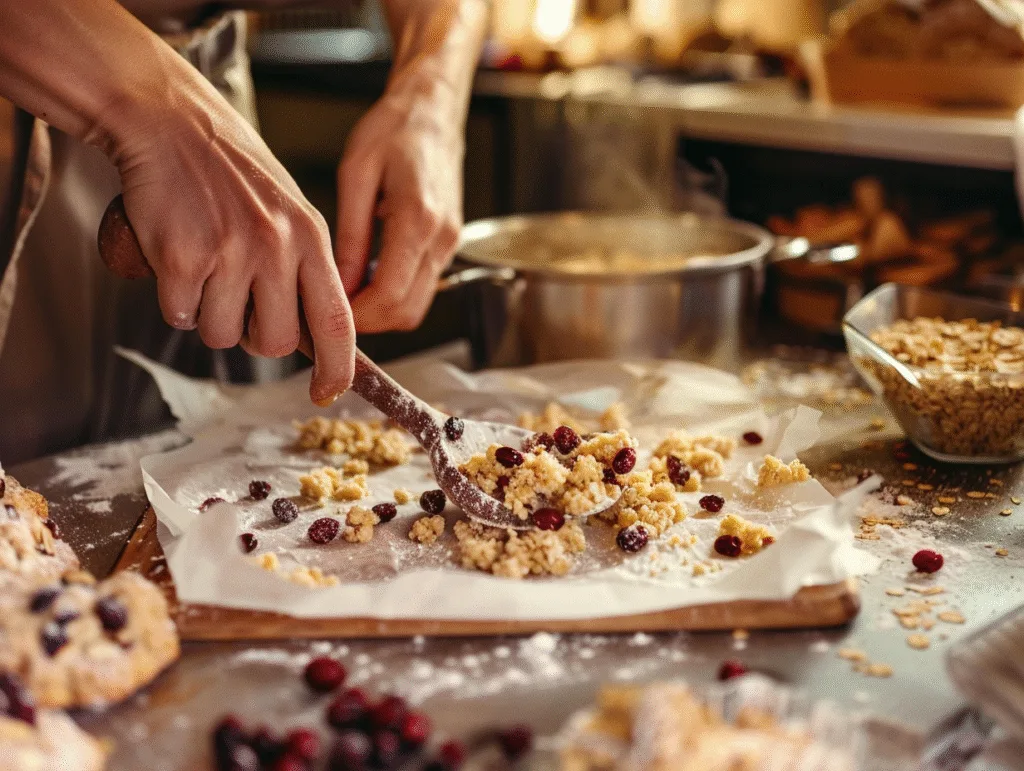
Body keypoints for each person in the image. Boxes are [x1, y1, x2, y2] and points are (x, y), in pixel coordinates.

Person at [0, 0, 486, 464]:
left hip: (213, 124)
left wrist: (432, 89)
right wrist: (164, 114)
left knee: (219, 469)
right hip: (29, 104)